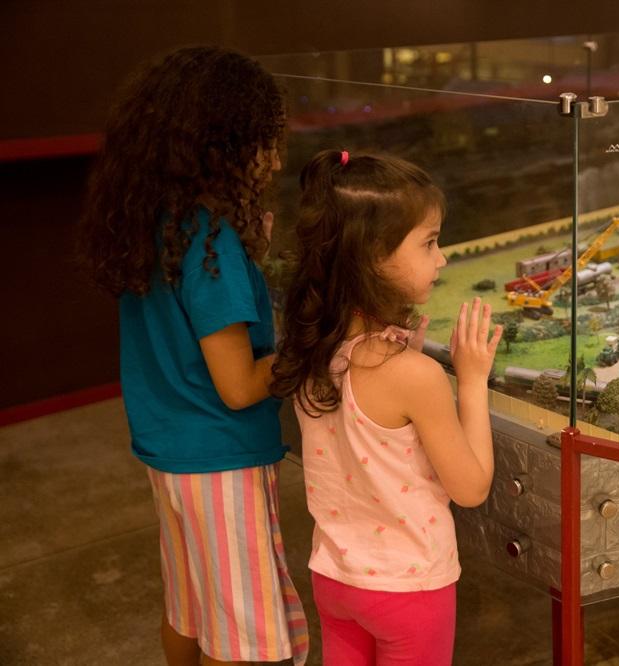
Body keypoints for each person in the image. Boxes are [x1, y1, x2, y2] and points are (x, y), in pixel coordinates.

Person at [78, 46, 308, 666]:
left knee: (190, 609)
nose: (278, 159)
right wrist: (315, 341)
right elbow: (238, 385)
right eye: (267, 142)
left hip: (172, 452)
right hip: (221, 459)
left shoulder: (161, 224)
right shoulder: (213, 243)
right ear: (225, 146)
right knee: (243, 642)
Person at [271, 150, 501, 665]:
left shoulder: (314, 347)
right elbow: (471, 488)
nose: (442, 259)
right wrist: (471, 380)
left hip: (334, 578)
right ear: (373, 254)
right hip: (410, 589)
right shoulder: (414, 378)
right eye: (429, 242)